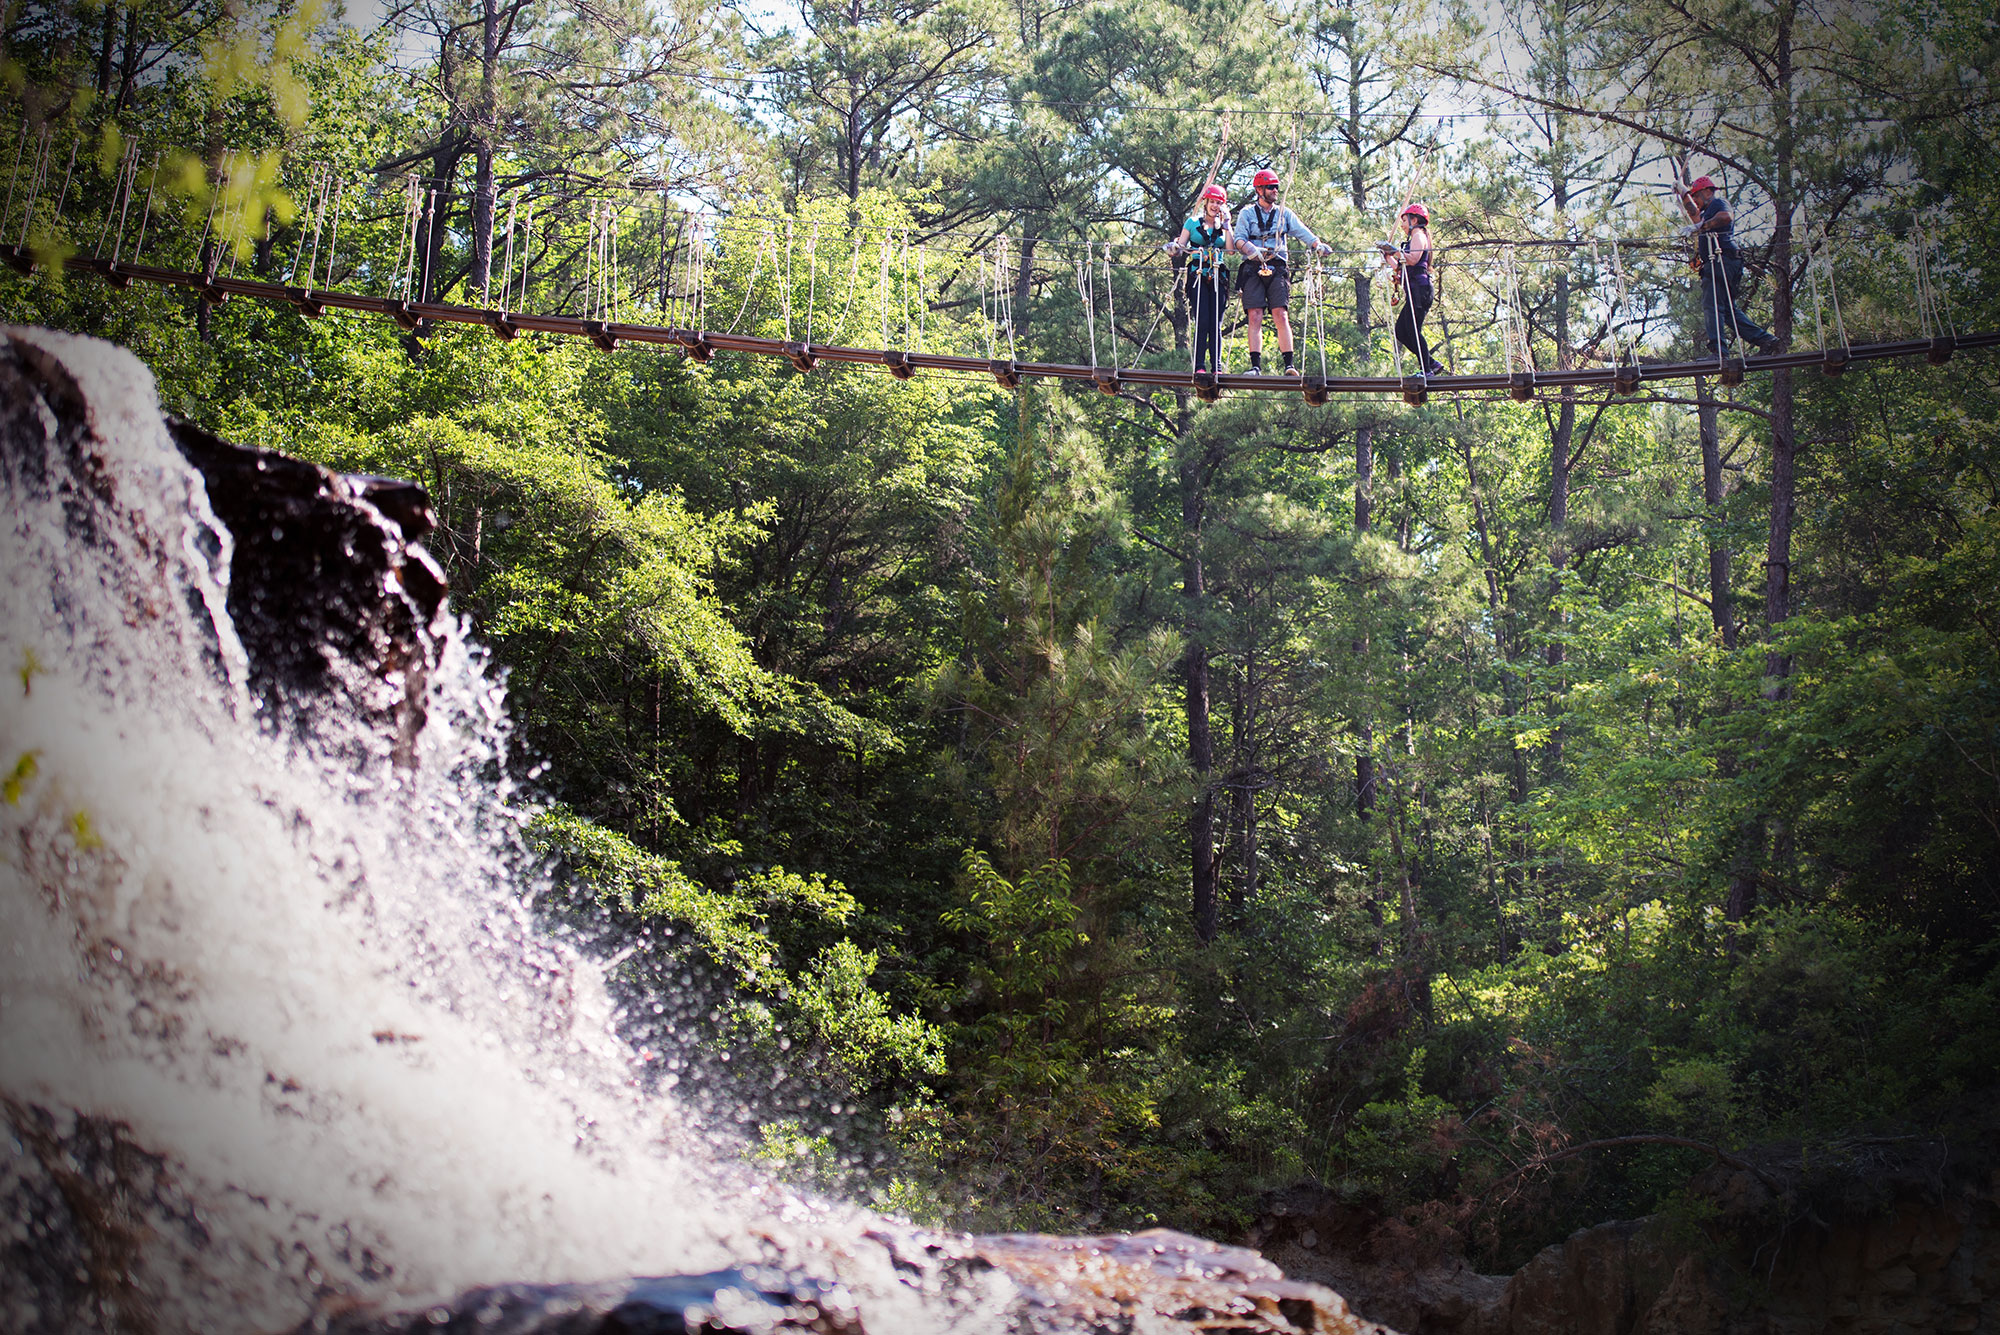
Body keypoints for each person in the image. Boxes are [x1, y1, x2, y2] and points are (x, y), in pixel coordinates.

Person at [1232, 168, 1331, 375]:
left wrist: (1317, 245)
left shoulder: (1284, 213)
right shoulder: (1247, 214)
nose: (1275, 190)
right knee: (1255, 315)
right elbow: (1238, 239)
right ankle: (1255, 366)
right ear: (1259, 190)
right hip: (1252, 267)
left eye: (1276, 187)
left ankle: (1289, 365)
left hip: (1276, 267)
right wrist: (1252, 250)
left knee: (1281, 314)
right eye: (1270, 187)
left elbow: (1302, 231)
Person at [1673, 174, 1779, 357]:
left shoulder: (1718, 204)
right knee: (1728, 311)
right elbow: (1693, 213)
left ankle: (1719, 351)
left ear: (1707, 192)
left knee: (1712, 305)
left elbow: (1726, 217)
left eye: (1697, 196)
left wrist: (1700, 227)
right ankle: (1765, 340)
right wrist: (1683, 192)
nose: (1695, 201)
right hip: (1725, 263)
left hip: (1722, 262)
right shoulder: (1706, 212)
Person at [1167, 184, 1236, 375]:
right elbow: (1180, 246)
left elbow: (1230, 250)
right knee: (1203, 320)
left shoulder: (1224, 227)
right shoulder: (1192, 223)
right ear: (1206, 202)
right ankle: (1199, 366)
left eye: (1219, 203)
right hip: (1198, 274)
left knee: (1216, 323)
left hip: (1218, 275)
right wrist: (1173, 247)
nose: (1215, 206)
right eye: (1212, 202)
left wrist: (1228, 226)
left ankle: (1217, 367)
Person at [1378, 202, 1444, 377]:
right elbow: (1401, 267)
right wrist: (1388, 256)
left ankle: (1427, 369)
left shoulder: (1418, 235)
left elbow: (1413, 259)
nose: (1403, 225)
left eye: (1405, 221)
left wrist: (1394, 251)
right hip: (1415, 292)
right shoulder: (1413, 238)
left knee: (1413, 330)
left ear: (1414, 220)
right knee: (1401, 331)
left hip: (1420, 291)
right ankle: (1430, 363)